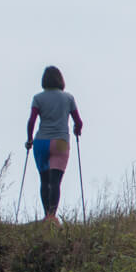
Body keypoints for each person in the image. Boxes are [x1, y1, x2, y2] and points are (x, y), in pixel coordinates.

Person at [26, 66, 83, 223]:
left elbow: (32, 121)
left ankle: (46, 216)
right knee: (55, 181)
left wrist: (29, 139)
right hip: (60, 143)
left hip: (41, 143)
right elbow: (78, 121)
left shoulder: (38, 98)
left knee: (44, 180)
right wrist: (77, 130)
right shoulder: (68, 98)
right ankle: (52, 216)